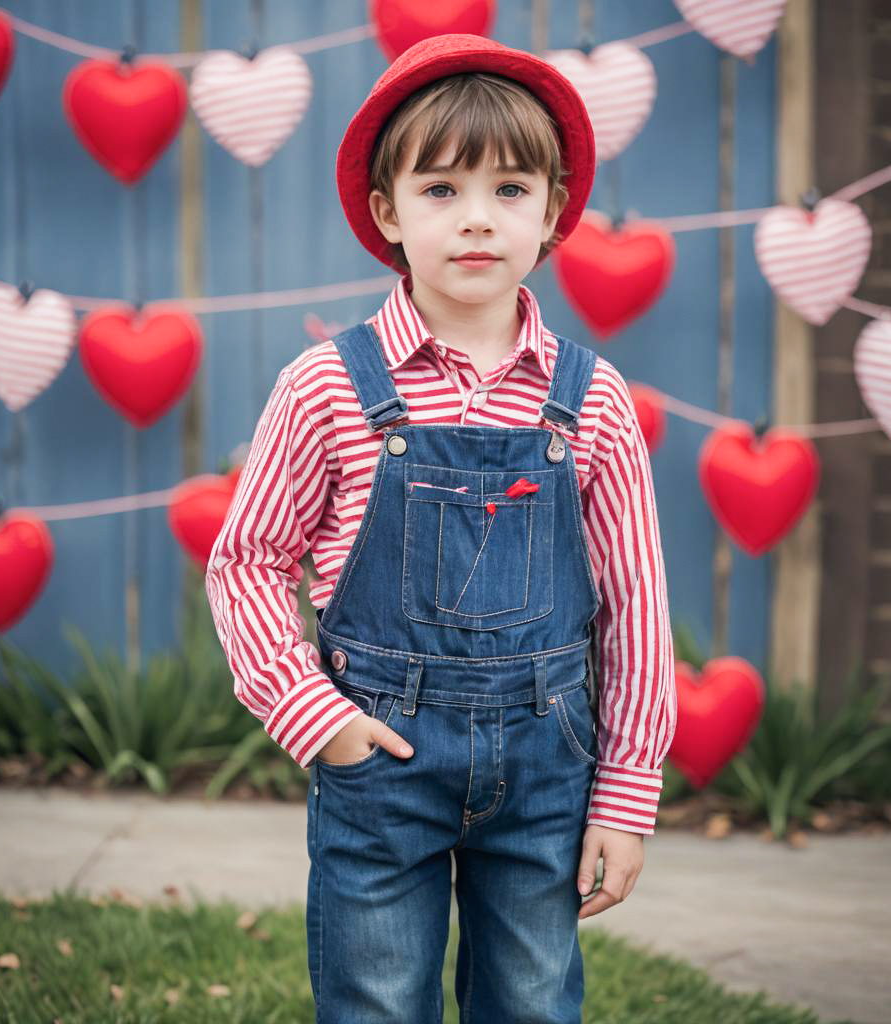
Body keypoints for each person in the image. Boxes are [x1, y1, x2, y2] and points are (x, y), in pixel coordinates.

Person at [205, 32, 677, 1024]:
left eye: (510, 190)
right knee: (376, 997)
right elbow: (247, 561)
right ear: (387, 212)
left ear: (552, 211)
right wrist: (316, 719)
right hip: (379, 755)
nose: (476, 220)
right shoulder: (329, 384)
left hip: (547, 764)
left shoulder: (589, 403)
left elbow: (633, 607)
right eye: (439, 190)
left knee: (534, 1000)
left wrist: (625, 791)